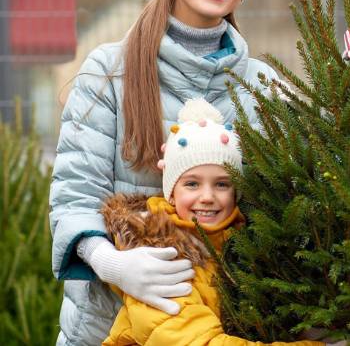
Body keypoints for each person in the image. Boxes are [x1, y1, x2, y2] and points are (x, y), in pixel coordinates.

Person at [50, 0, 280, 346]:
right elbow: (74, 196)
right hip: (107, 329)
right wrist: (112, 263)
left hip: (223, 332)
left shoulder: (262, 86)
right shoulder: (109, 71)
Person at [101, 98, 325, 345]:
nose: (207, 197)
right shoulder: (156, 254)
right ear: (171, 194)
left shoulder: (248, 248)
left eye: (221, 184)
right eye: (192, 184)